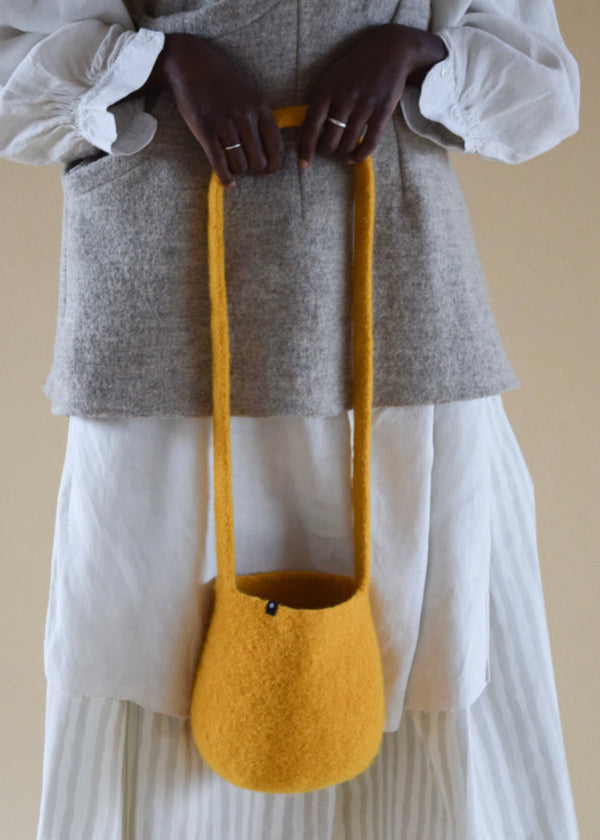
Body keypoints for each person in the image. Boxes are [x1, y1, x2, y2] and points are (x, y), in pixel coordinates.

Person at [0, 1, 581, 837]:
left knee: (435, 653)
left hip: (395, 308)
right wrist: (159, 61)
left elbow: (543, 92)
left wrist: (418, 50)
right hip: (165, 311)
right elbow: (16, 66)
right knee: (142, 656)